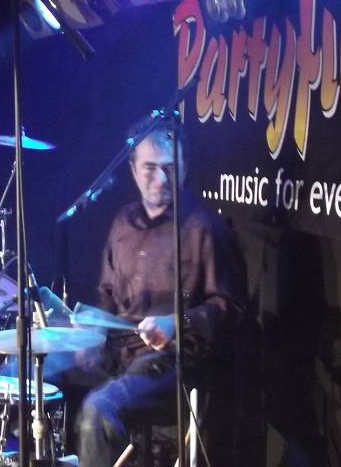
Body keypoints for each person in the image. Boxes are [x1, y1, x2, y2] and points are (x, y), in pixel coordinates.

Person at [76, 127, 245, 466]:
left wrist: (177, 322)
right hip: (117, 350)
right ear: (133, 170)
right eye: (150, 168)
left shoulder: (203, 227)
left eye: (169, 167)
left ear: (184, 166)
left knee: (98, 412)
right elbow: (107, 293)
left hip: (172, 361)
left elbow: (229, 307)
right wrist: (91, 333)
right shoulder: (123, 223)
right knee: (25, 372)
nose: (161, 178)